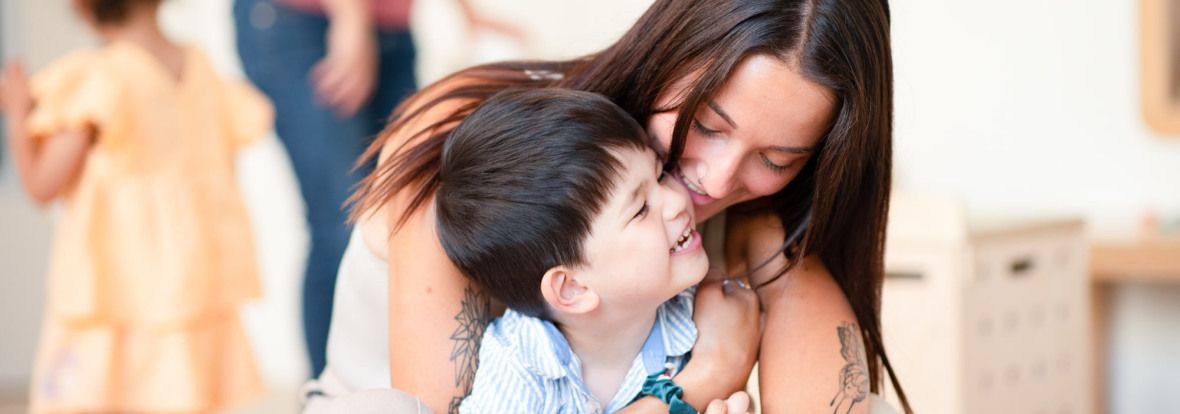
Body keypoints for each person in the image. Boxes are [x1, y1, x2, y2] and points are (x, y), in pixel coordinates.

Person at [337, 0, 911, 413]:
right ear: (666, 54)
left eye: (775, 158)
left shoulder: (758, 224)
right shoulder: (480, 157)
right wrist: (703, 380)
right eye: (707, 125)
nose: (715, 180)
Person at [0, 0, 271, 412]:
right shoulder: (200, 67)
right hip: (194, 280)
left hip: (118, 283)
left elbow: (41, 186)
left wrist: (18, 115)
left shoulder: (100, 76)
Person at [232, 0, 524, 377]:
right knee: (342, 225)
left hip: (390, 25)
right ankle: (328, 395)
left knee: (412, 211)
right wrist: (351, 16)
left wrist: (466, 13)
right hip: (308, 20)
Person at [433, 88, 748, 413]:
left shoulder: (706, 317)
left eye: (660, 175)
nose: (677, 200)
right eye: (641, 209)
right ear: (572, 287)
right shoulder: (520, 364)